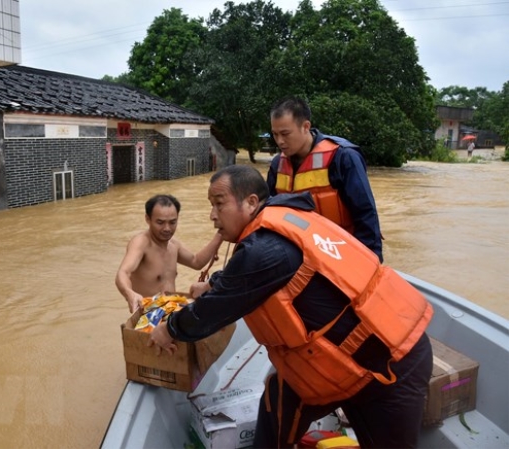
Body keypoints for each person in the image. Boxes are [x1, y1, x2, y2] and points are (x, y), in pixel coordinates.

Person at [150, 165, 433, 449]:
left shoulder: (263, 249)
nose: (212, 215)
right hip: (333, 363)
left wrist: (169, 329)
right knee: (278, 401)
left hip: (389, 365)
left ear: (250, 202)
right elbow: (253, 274)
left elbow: (207, 315)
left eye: (219, 204)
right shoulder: (282, 222)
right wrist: (213, 283)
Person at [266, 96, 383, 262]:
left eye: (285, 134)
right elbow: (266, 212)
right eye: (275, 134)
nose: (280, 141)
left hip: (341, 253)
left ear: (306, 126)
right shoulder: (278, 164)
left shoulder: (343, 157)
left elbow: (366, 215)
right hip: (299, 255)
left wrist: (371, 262)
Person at [115, 194, 222, 313]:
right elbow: (123, 272)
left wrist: (221, 234)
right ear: (147, 219)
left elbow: (196, 262)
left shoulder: (174, 245)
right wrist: (130, 294)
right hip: (148, 316)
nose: (167, 228)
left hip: (171, 312)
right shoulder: (141, 243)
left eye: (172, 222)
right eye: (160, 222)